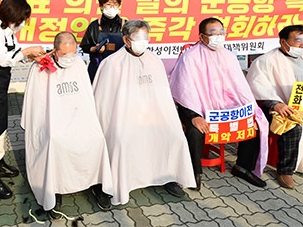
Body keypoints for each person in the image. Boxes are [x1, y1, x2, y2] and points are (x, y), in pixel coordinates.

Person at [93, 20, 196, 205]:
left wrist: (165, 118)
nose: (144, 42)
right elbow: (104, 101)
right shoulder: (113, 63)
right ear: (126, 39)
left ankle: (169, 176)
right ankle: (111, 187)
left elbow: (162, 95)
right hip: (123, 119)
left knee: (174, 136)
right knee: (121, 141)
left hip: (152, 115)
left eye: (146, 38)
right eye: (138, 38)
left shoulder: (154, 60)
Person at [21, 32, 114, 220]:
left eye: (73, 53)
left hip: (79, 117)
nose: (69, 59)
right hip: (53, 121)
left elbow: (86, 98)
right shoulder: (40, 68)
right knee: (55, 141)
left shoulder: (79, 64)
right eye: (64, 55)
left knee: (96, 138)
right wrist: (44, 126)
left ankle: (98, 184)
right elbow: (37, 105)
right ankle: (54, 189)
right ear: (55, 51)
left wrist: (89, 120)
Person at [169, 17, 269, 190]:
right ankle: (193, 173)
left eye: (221, 32)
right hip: (196, 108)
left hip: (224, 107)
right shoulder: (190, 57)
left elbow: (239, 87)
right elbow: (183, 91)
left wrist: (250, 109)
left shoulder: (228, 56)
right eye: (213, 33)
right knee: (194, 130)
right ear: (201, 37)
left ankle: (243, 167)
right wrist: (194, 116)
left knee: (256, 120)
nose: (219, 37)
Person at [0, 0, 45, 199]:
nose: (22, 24)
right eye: (21, 19)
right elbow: (4, 59)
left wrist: (29, 57)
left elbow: (13, 55)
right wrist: (27, 51)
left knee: (1, 126)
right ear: (11, 14)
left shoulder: (7, 30)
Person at [246, 24, 303, 189]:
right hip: (274, 106)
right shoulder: (266, 61)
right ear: (283, 42)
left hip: (298, 105)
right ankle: (285, 170)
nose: (301, 45)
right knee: (293, 127)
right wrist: (276, 104)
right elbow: (257, 87)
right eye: (298, 40)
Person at [80, 0, 125, 83]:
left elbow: (131, 47)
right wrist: (94, 49)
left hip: (120, 71)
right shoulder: (94, 26)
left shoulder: (126, 25)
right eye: (108, 4)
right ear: (101, 6)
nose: (112, 7)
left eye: (115, 4)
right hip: (98, 69)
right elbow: (85, 47)